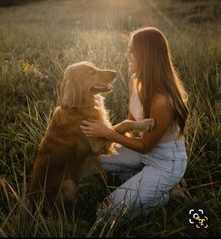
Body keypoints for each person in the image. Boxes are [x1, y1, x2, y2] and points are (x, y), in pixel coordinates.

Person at [80, 27, 189, 218]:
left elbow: (145, 145)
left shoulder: (162, 100)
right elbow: (132, 127)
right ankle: (146, 181)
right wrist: (103, 140)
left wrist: (107, 133)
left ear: (146, 56)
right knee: (90, 163)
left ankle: (166, 192)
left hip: (164, 161)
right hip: (142, 153)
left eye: (131, 52)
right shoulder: (135, 80)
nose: (126, 55)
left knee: (105, 213)